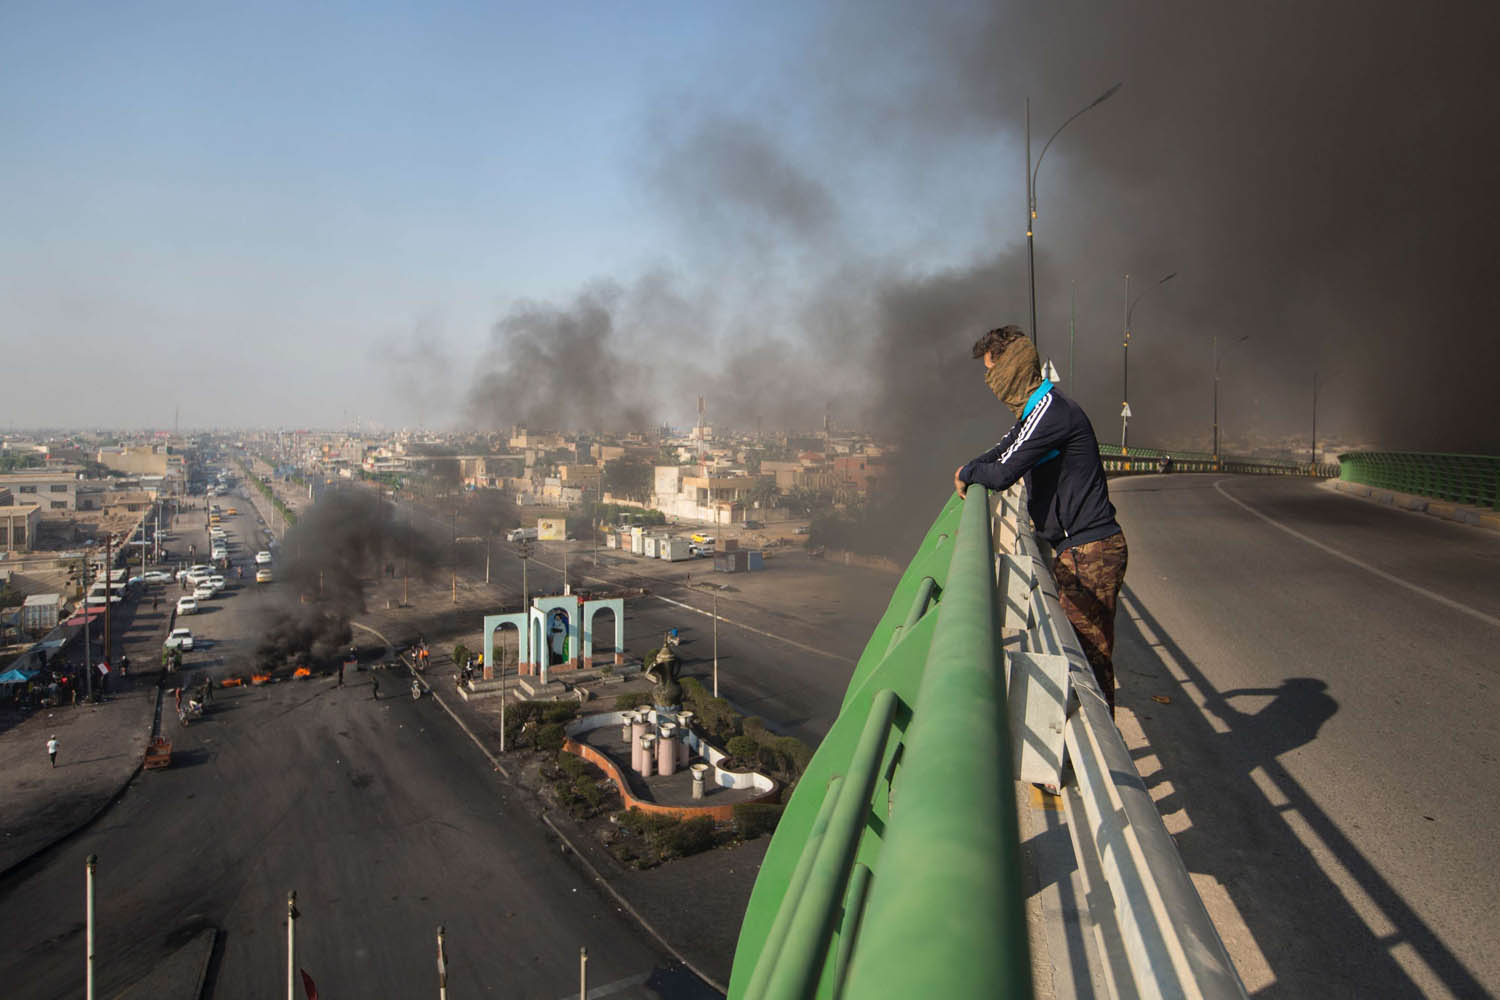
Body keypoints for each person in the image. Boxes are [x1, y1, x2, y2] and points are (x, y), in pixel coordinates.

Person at [954, 326, 1129, 715]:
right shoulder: (1037, 411)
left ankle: (1102, 761)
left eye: (992, 371)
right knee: (1083, 654)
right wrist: (970, 467)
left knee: (1087, 660)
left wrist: (968, 475)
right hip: (1078, 549)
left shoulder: (1050, 411)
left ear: (1012, 367)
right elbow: (1005, 449)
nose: (990, 384)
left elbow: (1002, 474)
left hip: (1090, 551)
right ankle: (1089, 748)